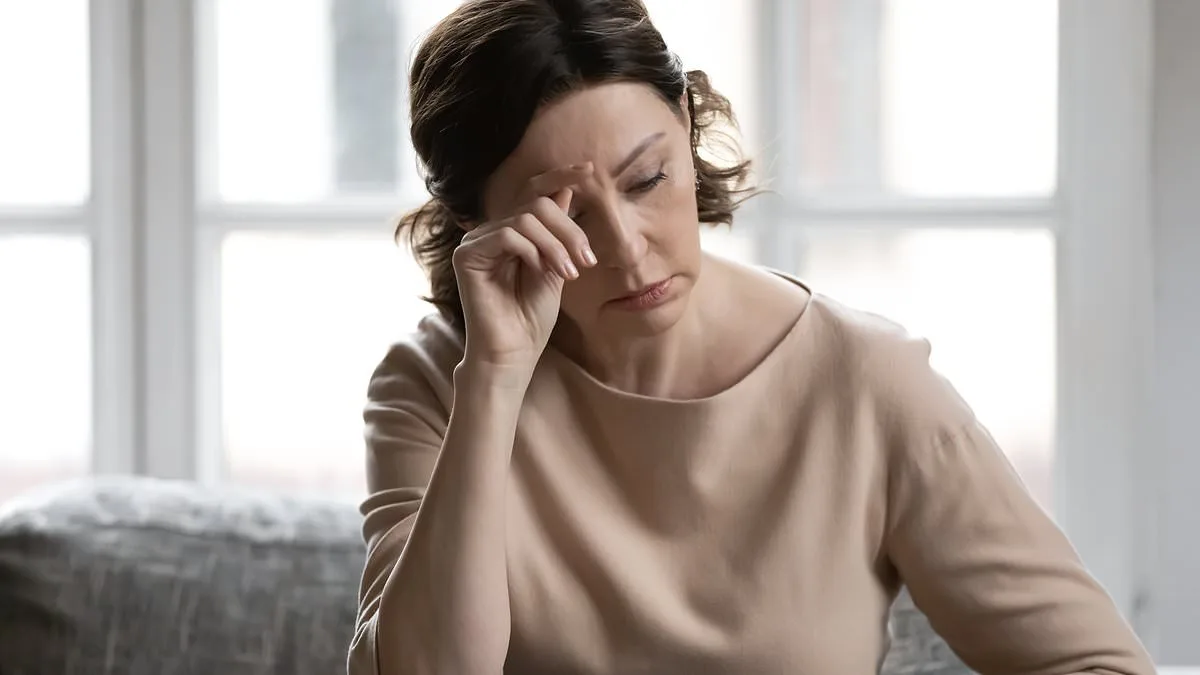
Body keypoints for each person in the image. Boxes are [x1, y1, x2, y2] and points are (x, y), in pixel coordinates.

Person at [348, 1, 1156, 673]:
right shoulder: (435, 384)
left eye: (647, 180)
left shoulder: (863, 381)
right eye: (569, 215)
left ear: (687, 127)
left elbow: (1099, 664)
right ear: (478, 222)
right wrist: (493, 380)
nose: (629, 250)